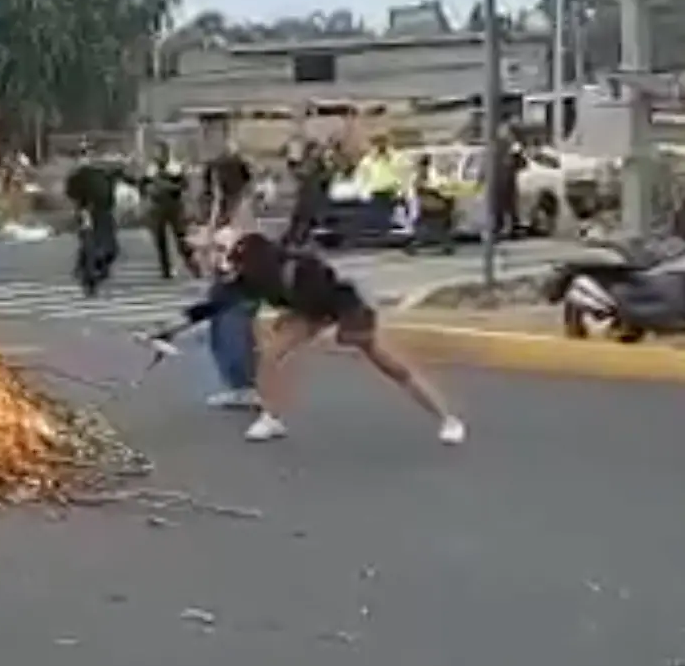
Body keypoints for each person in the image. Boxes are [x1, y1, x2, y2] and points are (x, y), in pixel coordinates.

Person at [148, 229, 466, 445]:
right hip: (310, 312)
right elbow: (209, 308)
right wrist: (169, 329)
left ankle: (447, 419)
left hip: (345, 309)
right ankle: (271, 418)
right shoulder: (250, 280)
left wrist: (326, 328)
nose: (225, 265)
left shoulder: (298, 267)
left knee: (387, 364)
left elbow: (334, 293)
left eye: (228, 255)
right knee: (271, 355)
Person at [197, 225, 259, 410]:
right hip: (225, 298)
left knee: (233, 338)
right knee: (221, 337)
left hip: (235, 299)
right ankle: (241, 387)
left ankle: (247, 387)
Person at [64, 144, 122, 297]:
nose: (87, 158)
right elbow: (71, 192)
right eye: (83, 155)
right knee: (89, 246)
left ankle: (96, 269)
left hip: (104, 213)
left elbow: (111, 190)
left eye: (88, 154)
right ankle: (89, 279)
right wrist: (82, 208)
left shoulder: (103, 173)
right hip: (87, 212)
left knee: (110, 248)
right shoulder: (78, 175)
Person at [140, 143, 194, 281]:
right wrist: (148, 191)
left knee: (181, 236)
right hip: (158, 206)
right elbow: (143, 185)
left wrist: (168, 185)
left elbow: (185, 185)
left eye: (160, 152)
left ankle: (192, 264)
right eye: (156, 152)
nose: (158, 155)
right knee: (160, 239)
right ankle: (166, 269)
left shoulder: (175, 167)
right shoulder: (151, 169)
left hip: (174, 205)